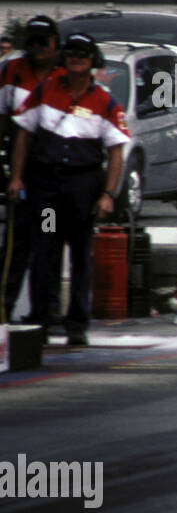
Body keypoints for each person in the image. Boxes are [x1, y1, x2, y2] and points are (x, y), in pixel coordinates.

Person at [7, 33, 128, 346]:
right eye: (71, 53)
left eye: (83, 54)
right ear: (63, 57)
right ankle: (41, 320)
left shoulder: (105, 102)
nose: (76, 59)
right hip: (47, 188)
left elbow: (116, 151)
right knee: (45, 249)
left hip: (82, 188)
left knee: (80, 255)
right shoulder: (44, 91)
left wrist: (107, 194)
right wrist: (17, 177)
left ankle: (77, 324)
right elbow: (24, 135)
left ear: (93, 62)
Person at [1, 16, 64, 324]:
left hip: (54, 173)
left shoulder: (67, 73)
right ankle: (4, 307)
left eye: (43, 42)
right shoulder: (12, 70)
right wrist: (12, 174)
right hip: (21, 170)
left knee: (49, 239)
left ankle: (48, 309)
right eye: (32, 41)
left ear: (55, 44)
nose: (36, 48)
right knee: (17, 242)